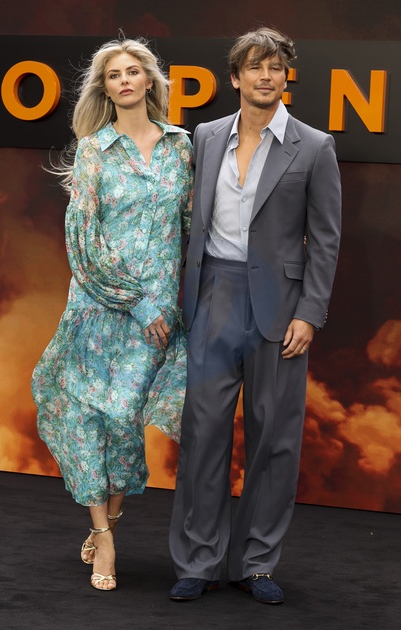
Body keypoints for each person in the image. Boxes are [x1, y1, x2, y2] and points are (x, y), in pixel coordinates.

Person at [169, 27, 341, 604]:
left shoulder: (314, 146)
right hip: (214, 296)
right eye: (255, 67)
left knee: (275, 438)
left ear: (286, 77)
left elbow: (326, 239)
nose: (266, 76)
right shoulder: (206, 135)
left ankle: (257, 563)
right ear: (235, 77)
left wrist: (310, 313)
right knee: (203, 434)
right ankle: (198, 561)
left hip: (282, 310)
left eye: (276, 68)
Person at [32, 37, 193, 592]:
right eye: (113, 75)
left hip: (159, 314)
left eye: (132, 71)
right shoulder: (94, 151)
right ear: (105, 88)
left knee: (124, 420)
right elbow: (83, 239)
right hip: (101, 306)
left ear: (149, 80)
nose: (124, 80)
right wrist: (137, 300)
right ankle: (103, 536)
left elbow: (191, 227)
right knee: (88, 418)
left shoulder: (181, 146)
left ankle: (110, 520)